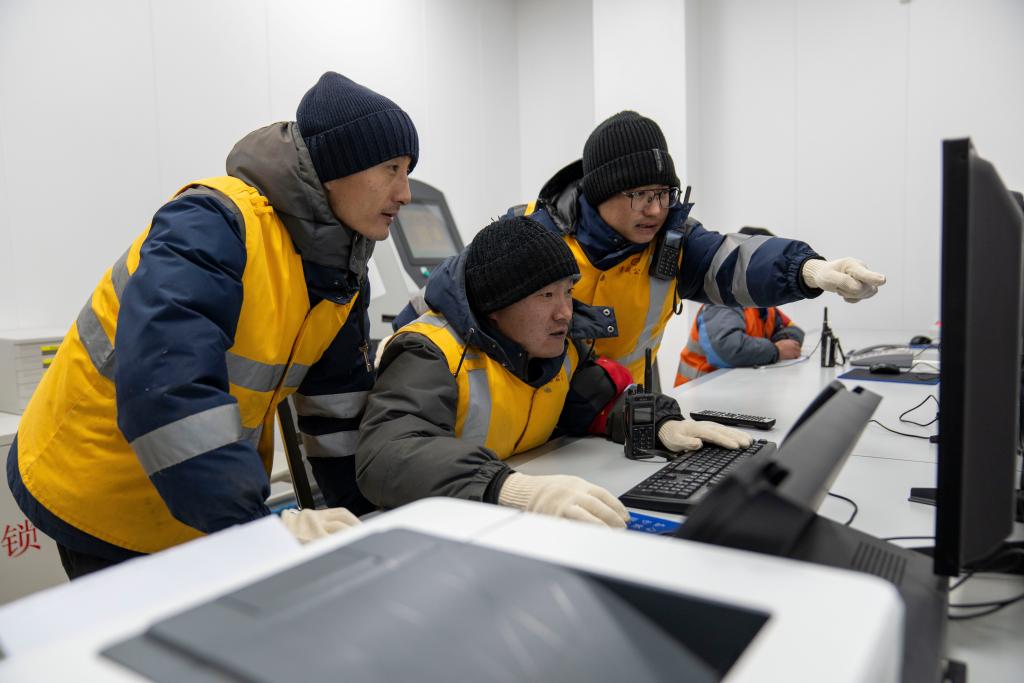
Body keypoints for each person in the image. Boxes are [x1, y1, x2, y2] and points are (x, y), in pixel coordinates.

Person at [6, 71, 419, 578]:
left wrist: (369, 525)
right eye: (391, 168)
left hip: (199, 494)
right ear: (337, 165)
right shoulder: (213, 224)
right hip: (100, 482)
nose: (404, 192)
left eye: (408, 171)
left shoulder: (341, 273)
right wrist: (255, 530)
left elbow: (337, 413)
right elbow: (169, 392)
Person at [356, 216, 750, 528]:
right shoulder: (430, 352)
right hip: (442, 533)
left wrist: (660, 423)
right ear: (495, 306)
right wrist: (508, 487)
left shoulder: (558, 351)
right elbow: (389, 454)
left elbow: (601, 399)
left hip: (505, 524)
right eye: (546, 295)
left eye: (567, 292)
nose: (564, 312)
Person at [501, 110, 885, 385]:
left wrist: (808, 270)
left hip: (618, 412)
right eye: (639, 195)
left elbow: (733, 261)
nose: (655, 209)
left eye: (663, 193)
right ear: (600, 193)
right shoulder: (530, 236)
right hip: (537, 423)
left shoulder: (673, 242)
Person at [674, 305, 805, 385]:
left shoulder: (765, 307)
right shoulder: (723, 301)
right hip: (697, 394)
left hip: (733, 389)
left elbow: (793, 329)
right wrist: (777, 350)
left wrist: (782, 341)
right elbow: (726, 349)